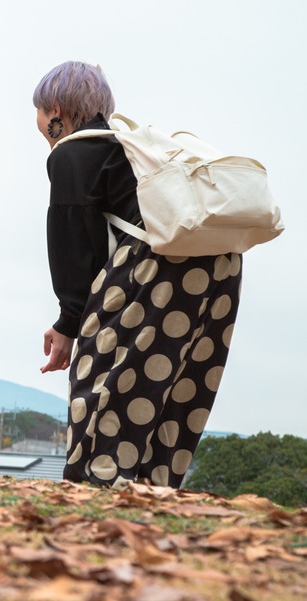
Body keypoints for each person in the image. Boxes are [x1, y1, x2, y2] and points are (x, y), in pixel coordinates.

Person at [33, 61, 241, 489]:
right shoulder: (128, 150)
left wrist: (69, 323)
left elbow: (75, 248)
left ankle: (98, 490)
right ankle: (152, 491)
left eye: (38, 114)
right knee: (173, 389)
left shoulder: (72, 153)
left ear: (55, 109)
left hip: (160, 262)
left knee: (104, 382)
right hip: (221, 263)